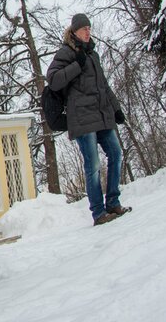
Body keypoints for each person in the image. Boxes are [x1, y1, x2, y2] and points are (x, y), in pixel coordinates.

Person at [46, 13, 131, 226]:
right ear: (74, 31)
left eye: (89, 28)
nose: (87, 32)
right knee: (92, 165)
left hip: (102, 113)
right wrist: (77, 64)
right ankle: (98, 213)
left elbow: (103, 85)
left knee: (116, 153)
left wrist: (117, 109)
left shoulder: (93, 54)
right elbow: (53, 80)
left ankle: (113, 202)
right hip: (82, 118)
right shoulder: (66, 52)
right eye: (84, 29)